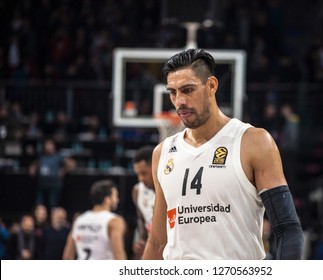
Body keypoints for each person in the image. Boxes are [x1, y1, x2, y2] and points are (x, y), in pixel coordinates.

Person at [142, 49, 303, 260]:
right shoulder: (162, 152)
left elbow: (287, 228)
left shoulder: (253, 141)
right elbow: (157, 242)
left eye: (187, 90)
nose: (179, 101)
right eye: (173, 92)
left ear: (211, 86)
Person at [62, 179, 127, 260]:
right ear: (107, 199)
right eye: (115, 196)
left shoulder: (79, 219)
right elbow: (119, 256)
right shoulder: (114, 221)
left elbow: (67, 256)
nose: (117, 200)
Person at [29, 138, 76, 210]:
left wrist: (64, 170)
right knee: (38, 205)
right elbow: (35, 164)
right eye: (47, 145)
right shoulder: (42, 156)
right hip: (42, 184)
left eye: (50, 144)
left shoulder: (58, 156)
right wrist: (33, 168)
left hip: (54, 184)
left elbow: (72, 164)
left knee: (53, 205)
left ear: (53, 146)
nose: (48, 147)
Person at [131, 146, 155, 259]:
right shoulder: (137, 191)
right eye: (137, 175)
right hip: (153, 247)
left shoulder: (173, 187)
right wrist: (141, 243)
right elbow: (141, 221)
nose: (140, 178)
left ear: (155, 167)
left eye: (144, 173)